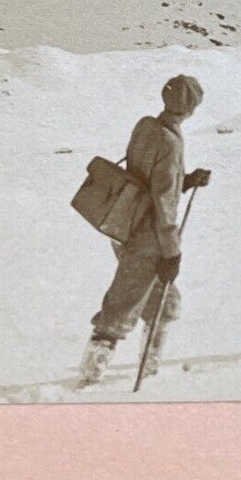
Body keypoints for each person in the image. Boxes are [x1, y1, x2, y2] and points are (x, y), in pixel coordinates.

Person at [78, 74, 211, 388]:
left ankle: (149, 369)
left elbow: (144, 175)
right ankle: (89, 376)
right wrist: (171, 250)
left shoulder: (146, 125)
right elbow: (163, 201)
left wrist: (186, 180)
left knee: (165, 302)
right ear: (191, 109)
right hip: (149, 236)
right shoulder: (171, 141)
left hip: (125, 223)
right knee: (122, 305)